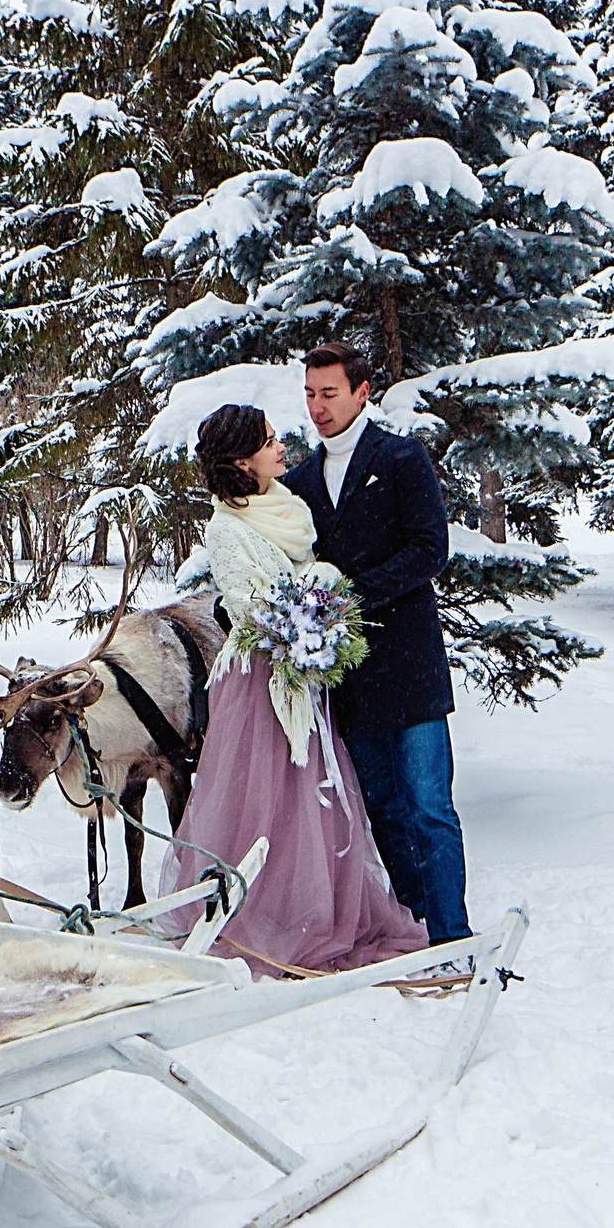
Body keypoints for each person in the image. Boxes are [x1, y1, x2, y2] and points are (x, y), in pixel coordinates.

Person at [155, 404, 427, 976]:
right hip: (261, 682)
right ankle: (263, 921)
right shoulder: (225, 528)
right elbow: (255, 609)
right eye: (269, 441)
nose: (283, 447)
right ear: (241, 460)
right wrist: (312, 598)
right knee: (264, 801)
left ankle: (313, 911)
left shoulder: (286, 506)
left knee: (313, 803)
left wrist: (321, 602)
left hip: (303, 676)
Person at [280, 342, 472, 952]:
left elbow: (428, 549)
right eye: (310, 394)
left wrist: (350, 596)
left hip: (410, 670)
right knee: (384, 811)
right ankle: (417, 932)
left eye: (329, 393)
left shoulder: (401, 458)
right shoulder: (302, 480)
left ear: (362, 392)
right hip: (349, 682)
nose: (317, 407)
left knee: (429, 809)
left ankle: (455, 937)